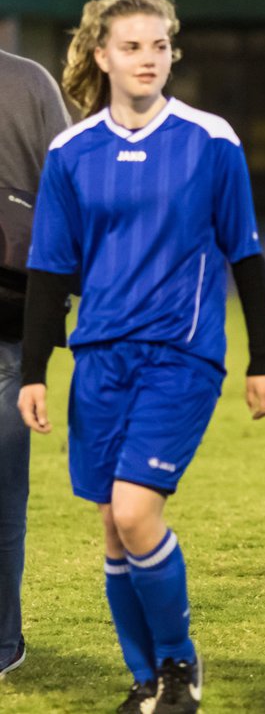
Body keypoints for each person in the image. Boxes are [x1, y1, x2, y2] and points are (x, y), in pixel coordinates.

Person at [18, 0, 265, 713]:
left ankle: (178, 666)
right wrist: (36, 370)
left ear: (173, 53)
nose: (147, 59)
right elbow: (50, 269)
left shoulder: (211, 140)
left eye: (159, 46)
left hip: (181, 353)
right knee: (111, 525)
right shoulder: (72, 152)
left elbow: (246, 253)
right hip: (99, 358)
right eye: (131, 47)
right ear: (101, 55)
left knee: (135, 512)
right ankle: (146, 684)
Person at [0, 49, 70, 680]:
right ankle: (1, 643)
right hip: (13, 316)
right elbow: (69, 194)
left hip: (12, 323)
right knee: (3, 495)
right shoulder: (30, 81)